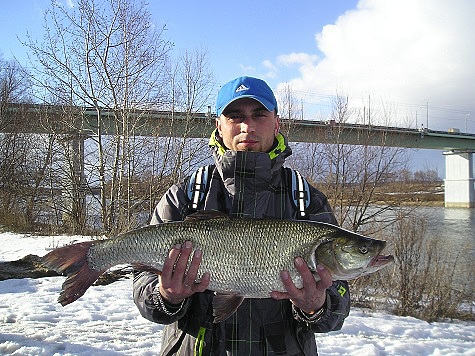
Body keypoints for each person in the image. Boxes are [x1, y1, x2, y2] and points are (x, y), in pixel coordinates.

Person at [133, 76, 350, 355]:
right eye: (235, 116)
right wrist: (165, 297)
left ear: (276, 122)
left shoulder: (307, 200)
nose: (248, 126)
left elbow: (338, 306)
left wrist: (316, 306)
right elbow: (143, 287)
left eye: (259, 115)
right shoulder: (185, 196)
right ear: (219, 126)